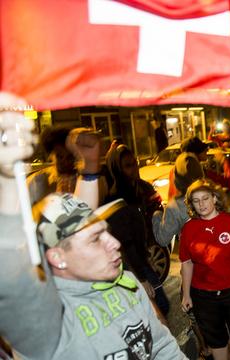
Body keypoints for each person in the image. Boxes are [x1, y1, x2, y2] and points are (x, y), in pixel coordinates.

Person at [0, 92, 186, 359]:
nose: (115, 243)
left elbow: (163, 346)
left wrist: (90, 167)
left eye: (104, 233)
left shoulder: (124, 280)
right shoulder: (47, 320)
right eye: (97, 239)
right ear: (57, 258)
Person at [180, 179, 230, 360]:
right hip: (204, 296)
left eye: (205, 198)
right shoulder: (189, 229)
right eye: (196, 201)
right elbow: (187, 263)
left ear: (214, 198)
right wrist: (186, 294)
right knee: (216, 341)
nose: (201, 204)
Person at [105, 143, 170, 316]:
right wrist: (141, 278)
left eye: (134, 163)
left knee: (159, 308)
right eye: (127, 166)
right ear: (117, 169)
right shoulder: (116, 197)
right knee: (160, 306)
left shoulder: (140, 188)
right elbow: (125, 242)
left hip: (142, 258)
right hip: (130, 264)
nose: (133, 169)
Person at [27, 126, 107, 205]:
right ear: (51, 156)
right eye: (60, 157)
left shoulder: (93, 180)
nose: (65, 162)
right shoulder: (37, 182)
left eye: (70, 157)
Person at [152, 151, 204, 247]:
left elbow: (162, 239)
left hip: (195, 259)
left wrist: (157, 215)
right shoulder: (213, 195)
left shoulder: (176, 206)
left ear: (177, 178)